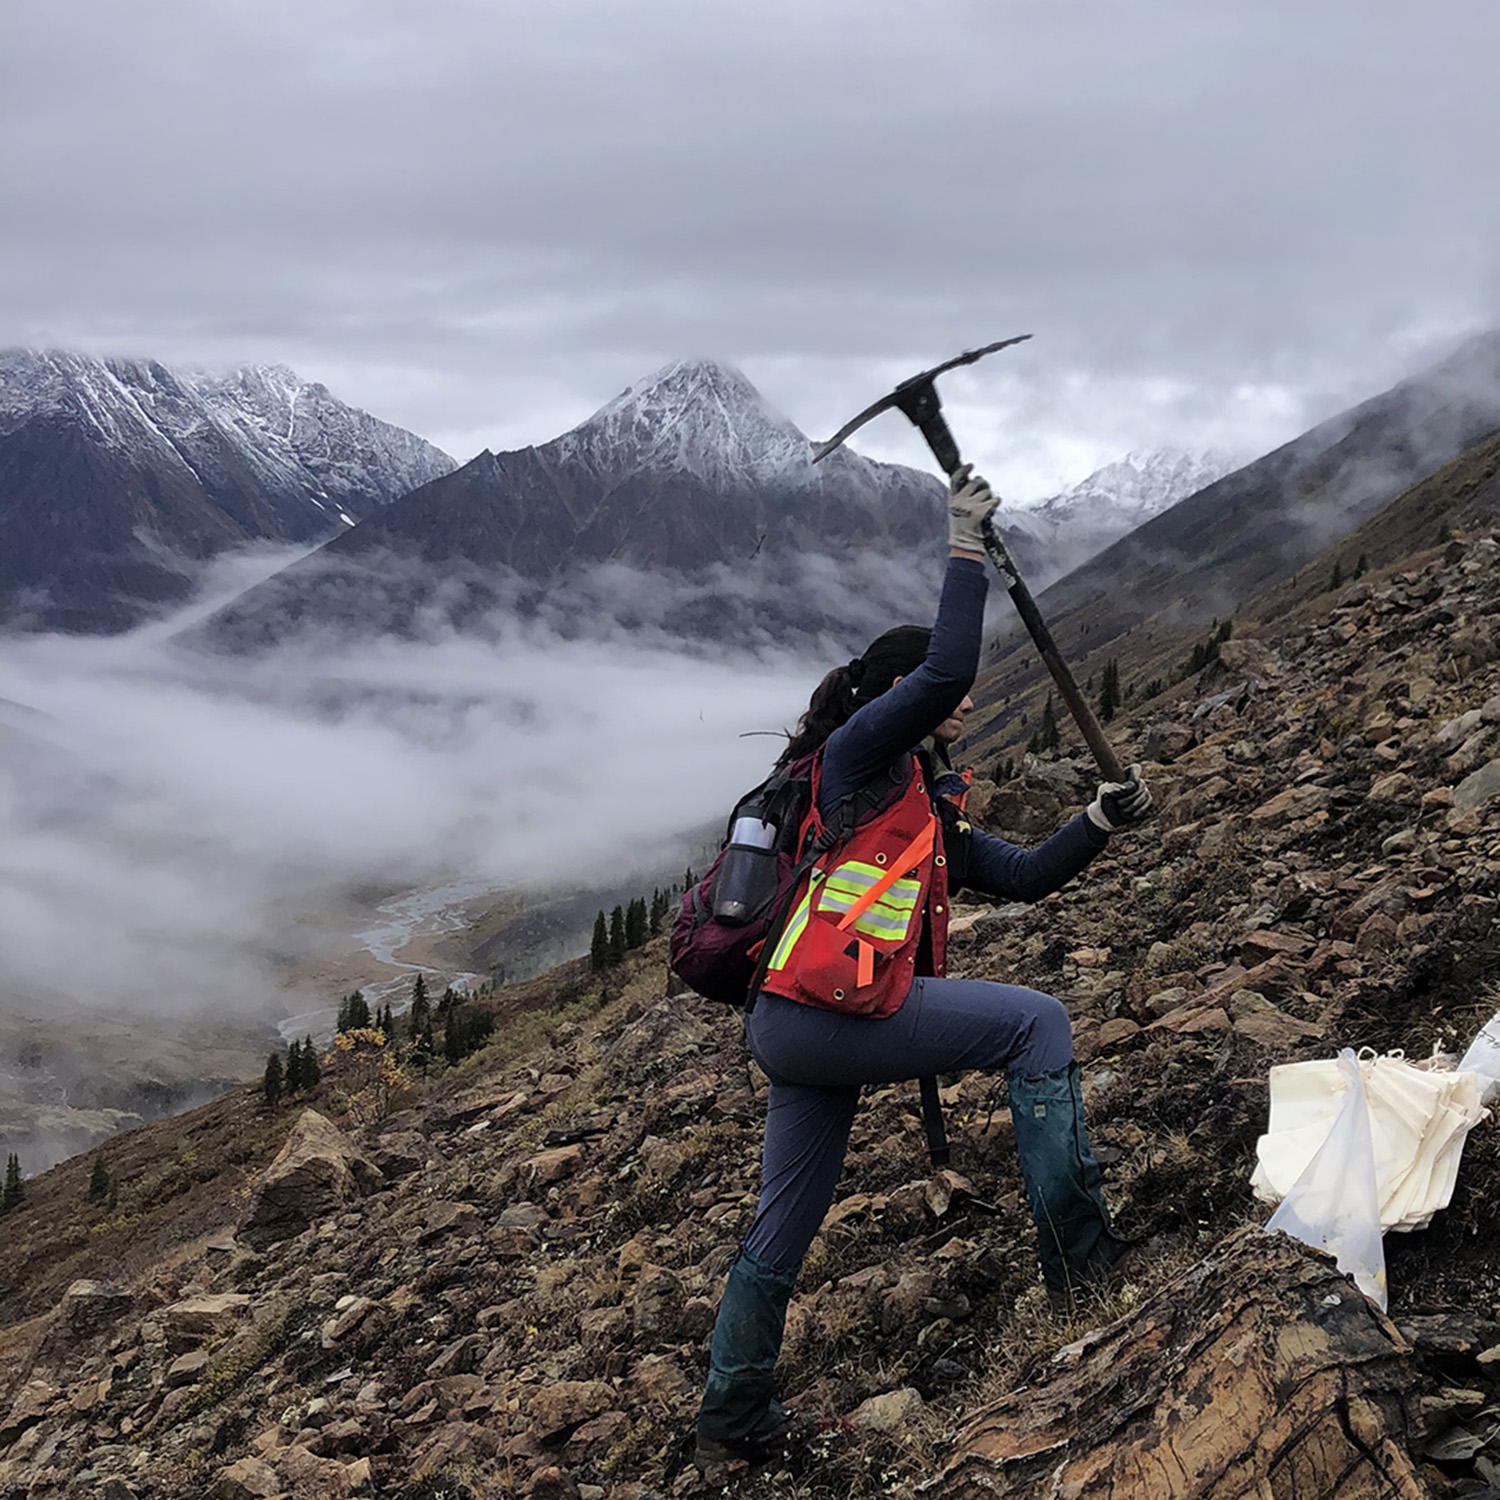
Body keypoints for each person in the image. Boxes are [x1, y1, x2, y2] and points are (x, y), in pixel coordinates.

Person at [694, 466, 1153, 1466]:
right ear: (900, 701)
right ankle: (1086, 1272)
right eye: (943, 697)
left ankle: (729, 1424)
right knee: (1039, 1026)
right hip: (824, 1015)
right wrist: (963, 545)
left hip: (798, 1022)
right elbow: (945, 671)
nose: (967, 701)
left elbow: (1026, 877)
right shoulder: (860, 759)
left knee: (787, 1220)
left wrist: (1099, 822)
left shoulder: (924, 810)